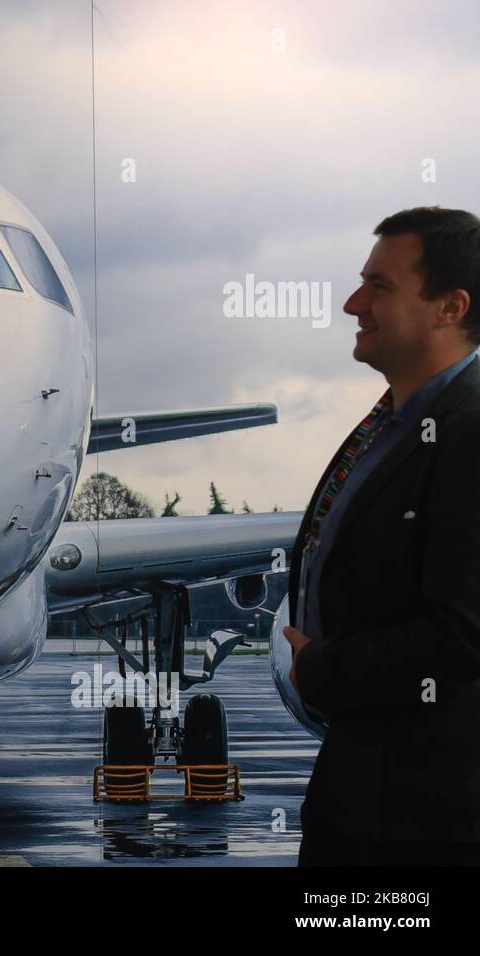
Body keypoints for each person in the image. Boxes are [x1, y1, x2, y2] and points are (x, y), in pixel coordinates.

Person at [282, 206, 480, 865]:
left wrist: (318, 668)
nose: (352, 303)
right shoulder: (398, 422)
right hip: (367, 798)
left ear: (449, 308)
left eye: (380, 287)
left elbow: (460, 635)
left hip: (428, 822)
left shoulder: (468, 428)